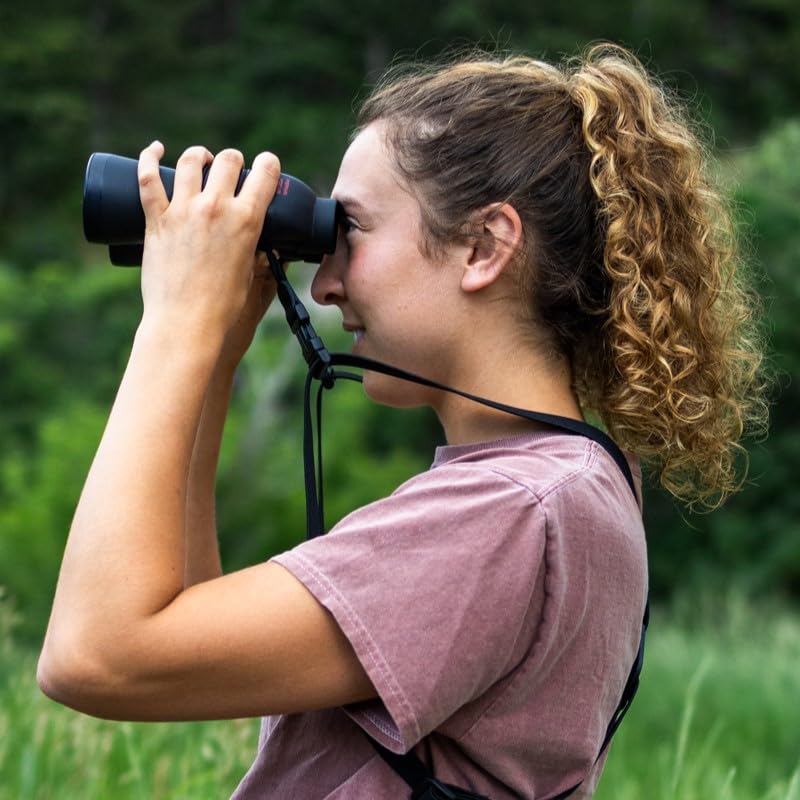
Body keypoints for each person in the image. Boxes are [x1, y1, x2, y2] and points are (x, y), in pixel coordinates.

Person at [38, 43, 766, 798]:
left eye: (349, 230)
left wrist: (172, 325)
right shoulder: (560, 490)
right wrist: (213, 355)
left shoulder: (511, 513)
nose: (323, 283)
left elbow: (96, 656)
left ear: (484, 246)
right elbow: (183, 646)